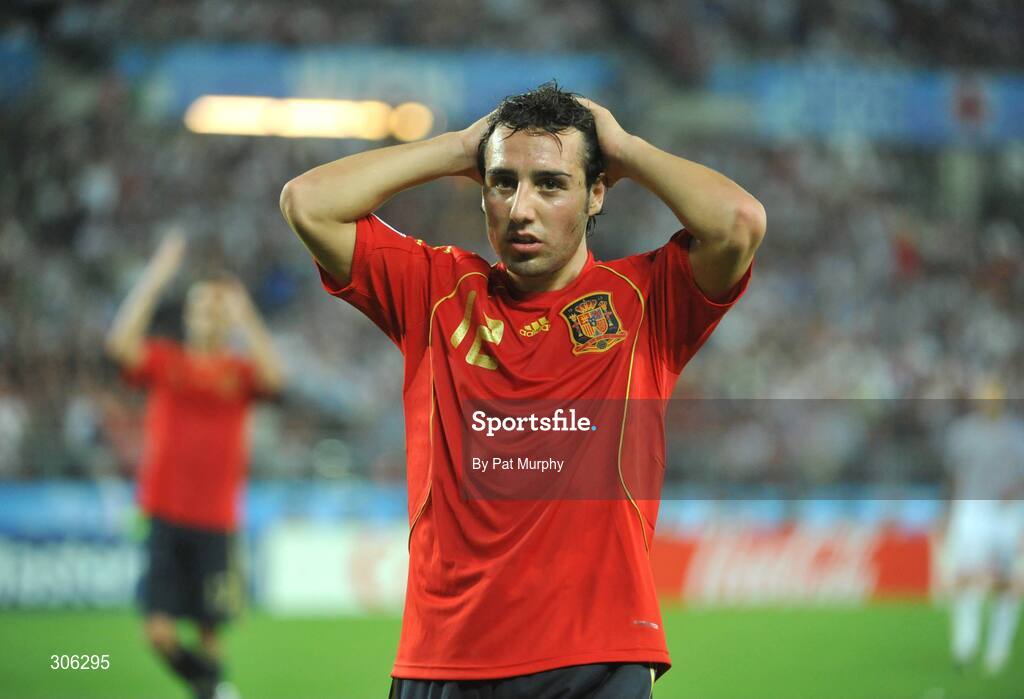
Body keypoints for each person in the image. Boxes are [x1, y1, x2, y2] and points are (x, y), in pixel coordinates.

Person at [280, 82, 764, 698]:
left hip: (596, 656)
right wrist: (459, 146)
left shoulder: (645, 300)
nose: (520, 208)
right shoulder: (435, 290)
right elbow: (308, 202)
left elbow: (740, 223)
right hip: (446, 658)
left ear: (596, 194)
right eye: (502, 182)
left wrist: (626, 147)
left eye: (551, 184)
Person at [106, 231, 284, 699]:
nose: (208, 314)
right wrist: (157, 276)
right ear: (187, 313)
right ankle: (215, 691)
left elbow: (277, 378)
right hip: (164, 516)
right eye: (201, 306)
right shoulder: (166, 362)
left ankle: (210, 690)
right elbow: (120, 344)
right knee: (158, 633)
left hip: (216, 521)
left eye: (216, 307)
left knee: (209, 633)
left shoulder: (239, 373)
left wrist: (246, 313)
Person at [944, 378, 1024, 675]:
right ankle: (966, 641)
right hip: (972, 509)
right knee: (965, 575)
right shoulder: (962, 433)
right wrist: (950, 511)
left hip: (1007, 512)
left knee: (1006, 581)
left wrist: (1015, 490)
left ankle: (998, 648)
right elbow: (955, 475)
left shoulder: (1016, 433)